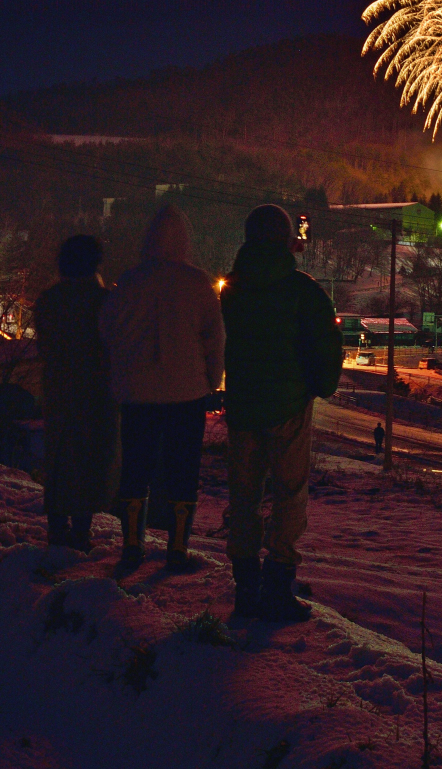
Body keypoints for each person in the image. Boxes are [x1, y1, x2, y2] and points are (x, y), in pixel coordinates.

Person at [222, 205, 342, 622]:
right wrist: (321, 386)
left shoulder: (231, 289)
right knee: (289, 495)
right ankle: (278, 585)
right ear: (286, 239)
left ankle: (244, 587)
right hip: (289, 407)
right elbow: (326, 348)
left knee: (243, 495)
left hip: (241, 405)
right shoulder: (303, 291)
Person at [100, 205, 224, 572]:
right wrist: (211, 381)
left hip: (137, 392)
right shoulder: (198, 283)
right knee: (183, 469)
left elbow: (108, 332)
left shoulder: (130, 281)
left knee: (136, 467)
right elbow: (214, 339)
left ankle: (133, 544)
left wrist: (122, 370)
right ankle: (177, 547)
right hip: (186, 393)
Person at [33, 235, 119, 552]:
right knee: (90, 459)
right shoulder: (105, 301)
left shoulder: (49, 300)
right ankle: (82, 531)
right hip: (98, 393)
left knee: (59, 457)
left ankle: (57, 527)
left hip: (58, 391)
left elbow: (44, 346)